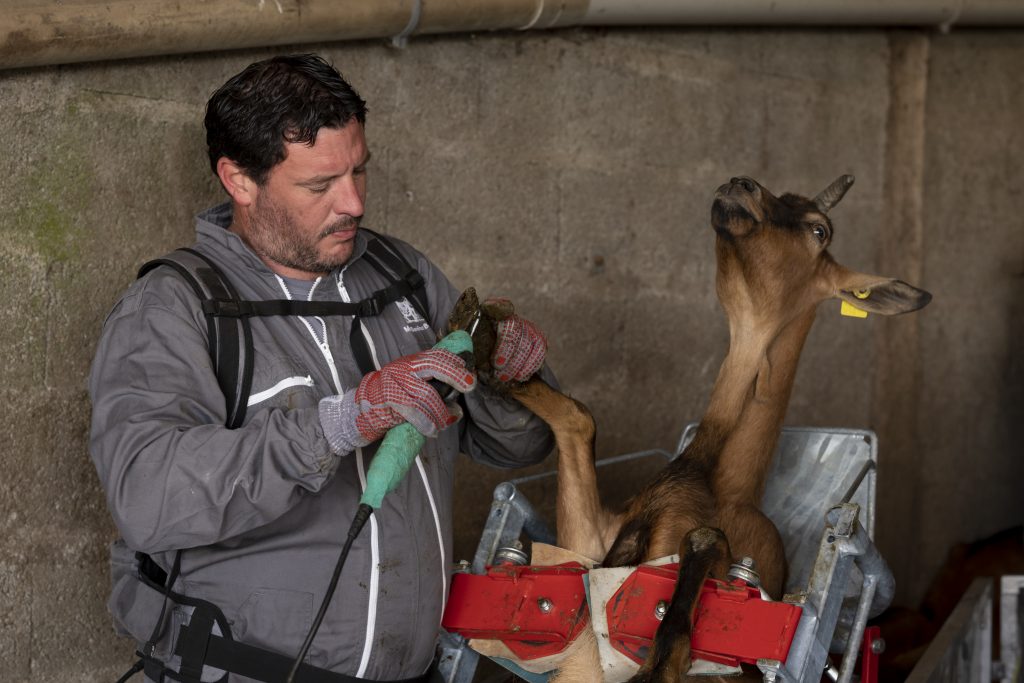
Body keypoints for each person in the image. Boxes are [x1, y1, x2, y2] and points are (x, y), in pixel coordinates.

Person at [89, 53, 555, 683]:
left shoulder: (403, 278)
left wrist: (509, 377)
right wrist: (336, 425)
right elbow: (150, 498)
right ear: (240, 180)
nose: (355, 202)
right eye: (320, 185)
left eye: (359, 171)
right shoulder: (176, 309)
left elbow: (521, 443)